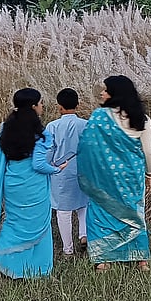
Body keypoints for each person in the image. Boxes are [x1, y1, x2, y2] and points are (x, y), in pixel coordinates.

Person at [0, 88, 66, 279]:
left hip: (12, 183)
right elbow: (38, 164)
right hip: (33, 185)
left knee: (14, 224)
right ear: (33, 106)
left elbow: (3, 156)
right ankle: (39, 270)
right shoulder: (40, 133)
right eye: (40, 103)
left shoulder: (6, 128)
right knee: (41, 226)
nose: (42, 106)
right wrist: (56, 169)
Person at [78, 75, 151, 272]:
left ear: (115, 94)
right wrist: (149, 174)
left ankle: (103, 261)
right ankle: (141, 261)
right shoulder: (142, 119)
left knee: (101, 214)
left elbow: (87, 146)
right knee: (134, 214)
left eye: (106, 90)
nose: (102, 93)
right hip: (132, 177)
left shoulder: (99, 117)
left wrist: (92, 170)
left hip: (103, 178)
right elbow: (149, 151)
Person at [45, 88, 89, 257]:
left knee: (63, 211)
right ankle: (84, 235)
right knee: (83, 205)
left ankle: (68, 249)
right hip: (81, 170)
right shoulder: (85, 124)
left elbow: (49, 150)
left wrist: (48, 166)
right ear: (78, 105)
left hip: (61, 172)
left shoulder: (52, 126)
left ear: (59, 107)